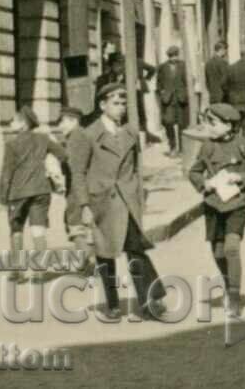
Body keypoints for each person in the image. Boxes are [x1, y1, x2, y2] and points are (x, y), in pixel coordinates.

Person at [73, 82, 167, 322]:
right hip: (102, 201)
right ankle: (112, 303)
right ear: (103, 105)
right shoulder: (88, 134)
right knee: (106, 254)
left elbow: (136, 168)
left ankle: (149, 301)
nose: (121, 108)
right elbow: (79, 173)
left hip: (127, 200)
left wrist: (138, 195)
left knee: (136, 248)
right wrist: (84, 205)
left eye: (124, 103)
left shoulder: (130, 133)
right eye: (116, 103)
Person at [188, 103, 245, 317]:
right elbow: (193, 172)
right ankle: (228, 282)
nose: (208, 127)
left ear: (228, 125)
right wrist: (205, 183)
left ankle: (234, 297)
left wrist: (241, 177)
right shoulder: (207, 147)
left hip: (237, 204)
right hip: (213, 204)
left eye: (213, 123)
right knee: (218, 252)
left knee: (232, 248)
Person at [0, 106, 68, 283]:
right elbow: (63, 154)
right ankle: (39, 273)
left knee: (16, 230)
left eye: (14, 120)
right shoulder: (43, 138)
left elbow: (7, 172)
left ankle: (18, 272)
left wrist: (2, 196)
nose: (11, 123)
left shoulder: (12, 144)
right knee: (39, 230)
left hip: (18, 192)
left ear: (23, 124)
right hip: (41, 189)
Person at [57, 106, 94, 269]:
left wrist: (83, 202)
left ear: (73, 121)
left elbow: (77, 171)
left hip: (78, 190)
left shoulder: (76, 137)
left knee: (75, 226)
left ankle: (88, 259)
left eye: (63, 122)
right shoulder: (78, 135)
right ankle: (85, 260)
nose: (60, 126)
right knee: (76, 225)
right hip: (79, 188)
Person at [156, 46, 188, 156]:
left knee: (182, 124)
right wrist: (162, 93)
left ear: (178, 55)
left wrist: (186, 93)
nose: (173, 58)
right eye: (171, 56)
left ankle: (183, 149)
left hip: (181, 99)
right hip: (168, 100)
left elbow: (188, 81)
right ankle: (173, 147)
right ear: (168, 56)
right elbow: (158, 83)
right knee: (168, 122)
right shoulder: (162, 67)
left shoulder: (183, 65)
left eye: (175, 55)